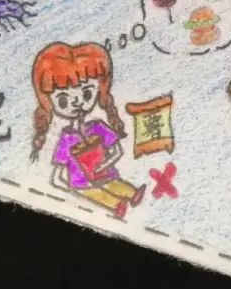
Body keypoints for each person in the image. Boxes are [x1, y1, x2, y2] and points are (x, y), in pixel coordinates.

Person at [30, 41, 145, 218]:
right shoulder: (66, 139)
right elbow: (58, 175)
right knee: (93, 191)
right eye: (63, 100)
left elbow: (117, 151)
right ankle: (117, 205)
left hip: (105, 175)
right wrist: (69, 187)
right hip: (81, 184)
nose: (77, 102)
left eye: (87, 94)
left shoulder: (97, 127)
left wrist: (104, 165)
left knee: (112, 183)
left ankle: (132, 195)